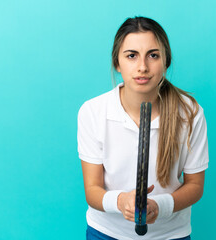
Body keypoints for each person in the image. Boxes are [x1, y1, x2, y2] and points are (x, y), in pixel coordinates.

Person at [77, 16, 209, 240]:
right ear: (117, 63)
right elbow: (92, 189)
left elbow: (195, 185)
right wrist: (121, 201)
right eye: (131, 56)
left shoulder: (189, 113)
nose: (142, 67)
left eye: (153, 55)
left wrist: (160, 206)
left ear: (165, 62)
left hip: (170, 235)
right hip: (106, 233)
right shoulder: (93, 111)